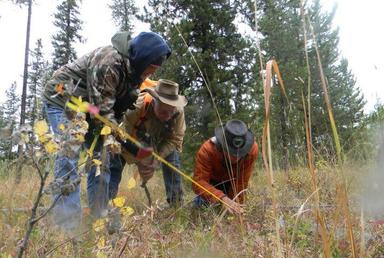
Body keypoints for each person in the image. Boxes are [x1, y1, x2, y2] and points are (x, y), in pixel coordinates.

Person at [42, 31, 171, 233]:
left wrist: (131, 149)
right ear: (142, 58)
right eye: (150, 69)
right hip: (63, 99)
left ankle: (100, 219)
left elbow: (112, 111)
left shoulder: (134, 74)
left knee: (104, 158)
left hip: (90, 109)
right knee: (69, 153)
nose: (150, 75)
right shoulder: (109, 62)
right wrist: (133, 148)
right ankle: (67, 226)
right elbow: (103, 114)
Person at [116, 79, 187, 206]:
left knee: (173, 160)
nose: (168, 116)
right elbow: (123, 137)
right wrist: (141, 161)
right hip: (135, 137)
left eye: (171, 111)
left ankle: (176, 204)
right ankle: (105, 202)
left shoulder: (178, 111)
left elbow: (175, 140)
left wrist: (156, 160)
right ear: (154, 103)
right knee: (115, 158)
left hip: (163, 139)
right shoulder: (136, 107)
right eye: (163, 112)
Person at [192, 119, 258, 215]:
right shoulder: (207, 149)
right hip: (211, 185)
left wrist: (236, 205)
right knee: (202, 208)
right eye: (231, 152)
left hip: (232, 183)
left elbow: (242, 182)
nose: (236, 157)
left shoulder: (252, 150)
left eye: (240, 154)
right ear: (222, 146)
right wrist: (221, 198)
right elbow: (198, 182)